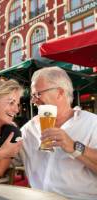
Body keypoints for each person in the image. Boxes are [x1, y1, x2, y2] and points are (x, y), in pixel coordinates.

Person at [21, 67, 97, 200]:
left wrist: (74, 147)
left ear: (60, 92)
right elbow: (6, 160)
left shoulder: (92, 123)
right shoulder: (29, 129)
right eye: (32, 96)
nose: (33, 100)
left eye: (38, 94)